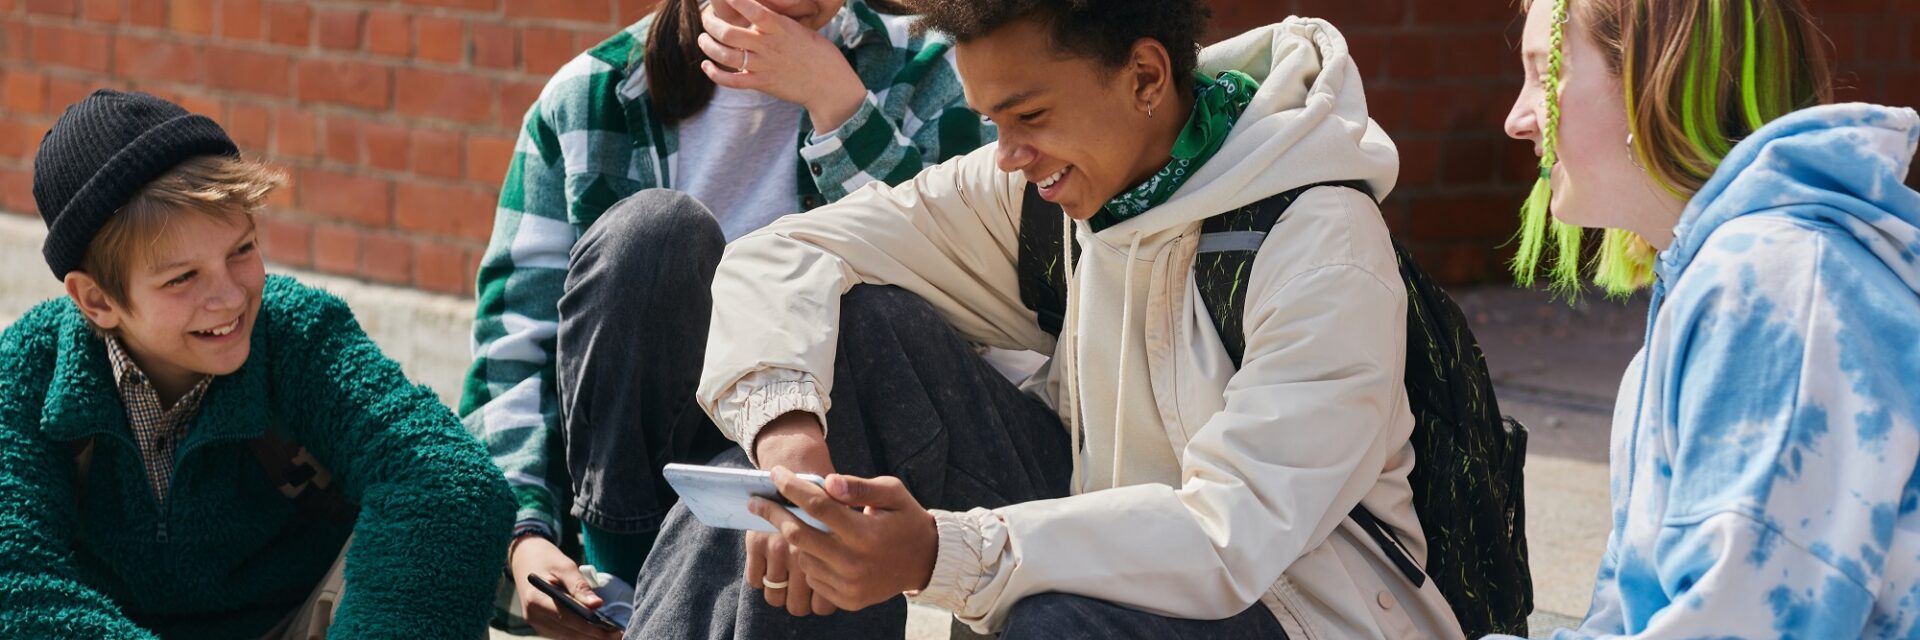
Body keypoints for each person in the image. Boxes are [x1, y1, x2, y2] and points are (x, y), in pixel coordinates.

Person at [623, 1, 1467, 638]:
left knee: (1053, 628)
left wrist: (936, 553)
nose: (1007, 153)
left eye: (1028, 116)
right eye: (992, 121)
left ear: (1145, 78)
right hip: (1090, 532)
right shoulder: (1034, 193)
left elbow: (1229, 534)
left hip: (1294, 606)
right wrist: (793, 444)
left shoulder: (1321, 240)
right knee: (847, 353)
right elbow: (785, 254)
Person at [457, 0, 993, 635]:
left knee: (851, 317)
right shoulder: (590, 99)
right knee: (653, 235)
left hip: (832, 467)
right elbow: (514, 351)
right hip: (649, 482)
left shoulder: (938, 71)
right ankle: (622, 581)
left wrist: (837, 103)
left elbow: (967, 303)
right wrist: (524, 537)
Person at [0, 90, 514, 639]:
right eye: (182, 278)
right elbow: (15, 573)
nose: (230, 298)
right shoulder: (28, 369)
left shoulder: (299, 329)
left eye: (241, 250)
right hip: (114, 626)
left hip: (299, 624)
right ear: (96, 300)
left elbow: (446, 479)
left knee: (427, 533)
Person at [1496, 0, 1920, 636]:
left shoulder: (1776, 284)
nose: (1518, 119)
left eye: (1545, 69)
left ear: (1649, 81)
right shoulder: (1730, 280)